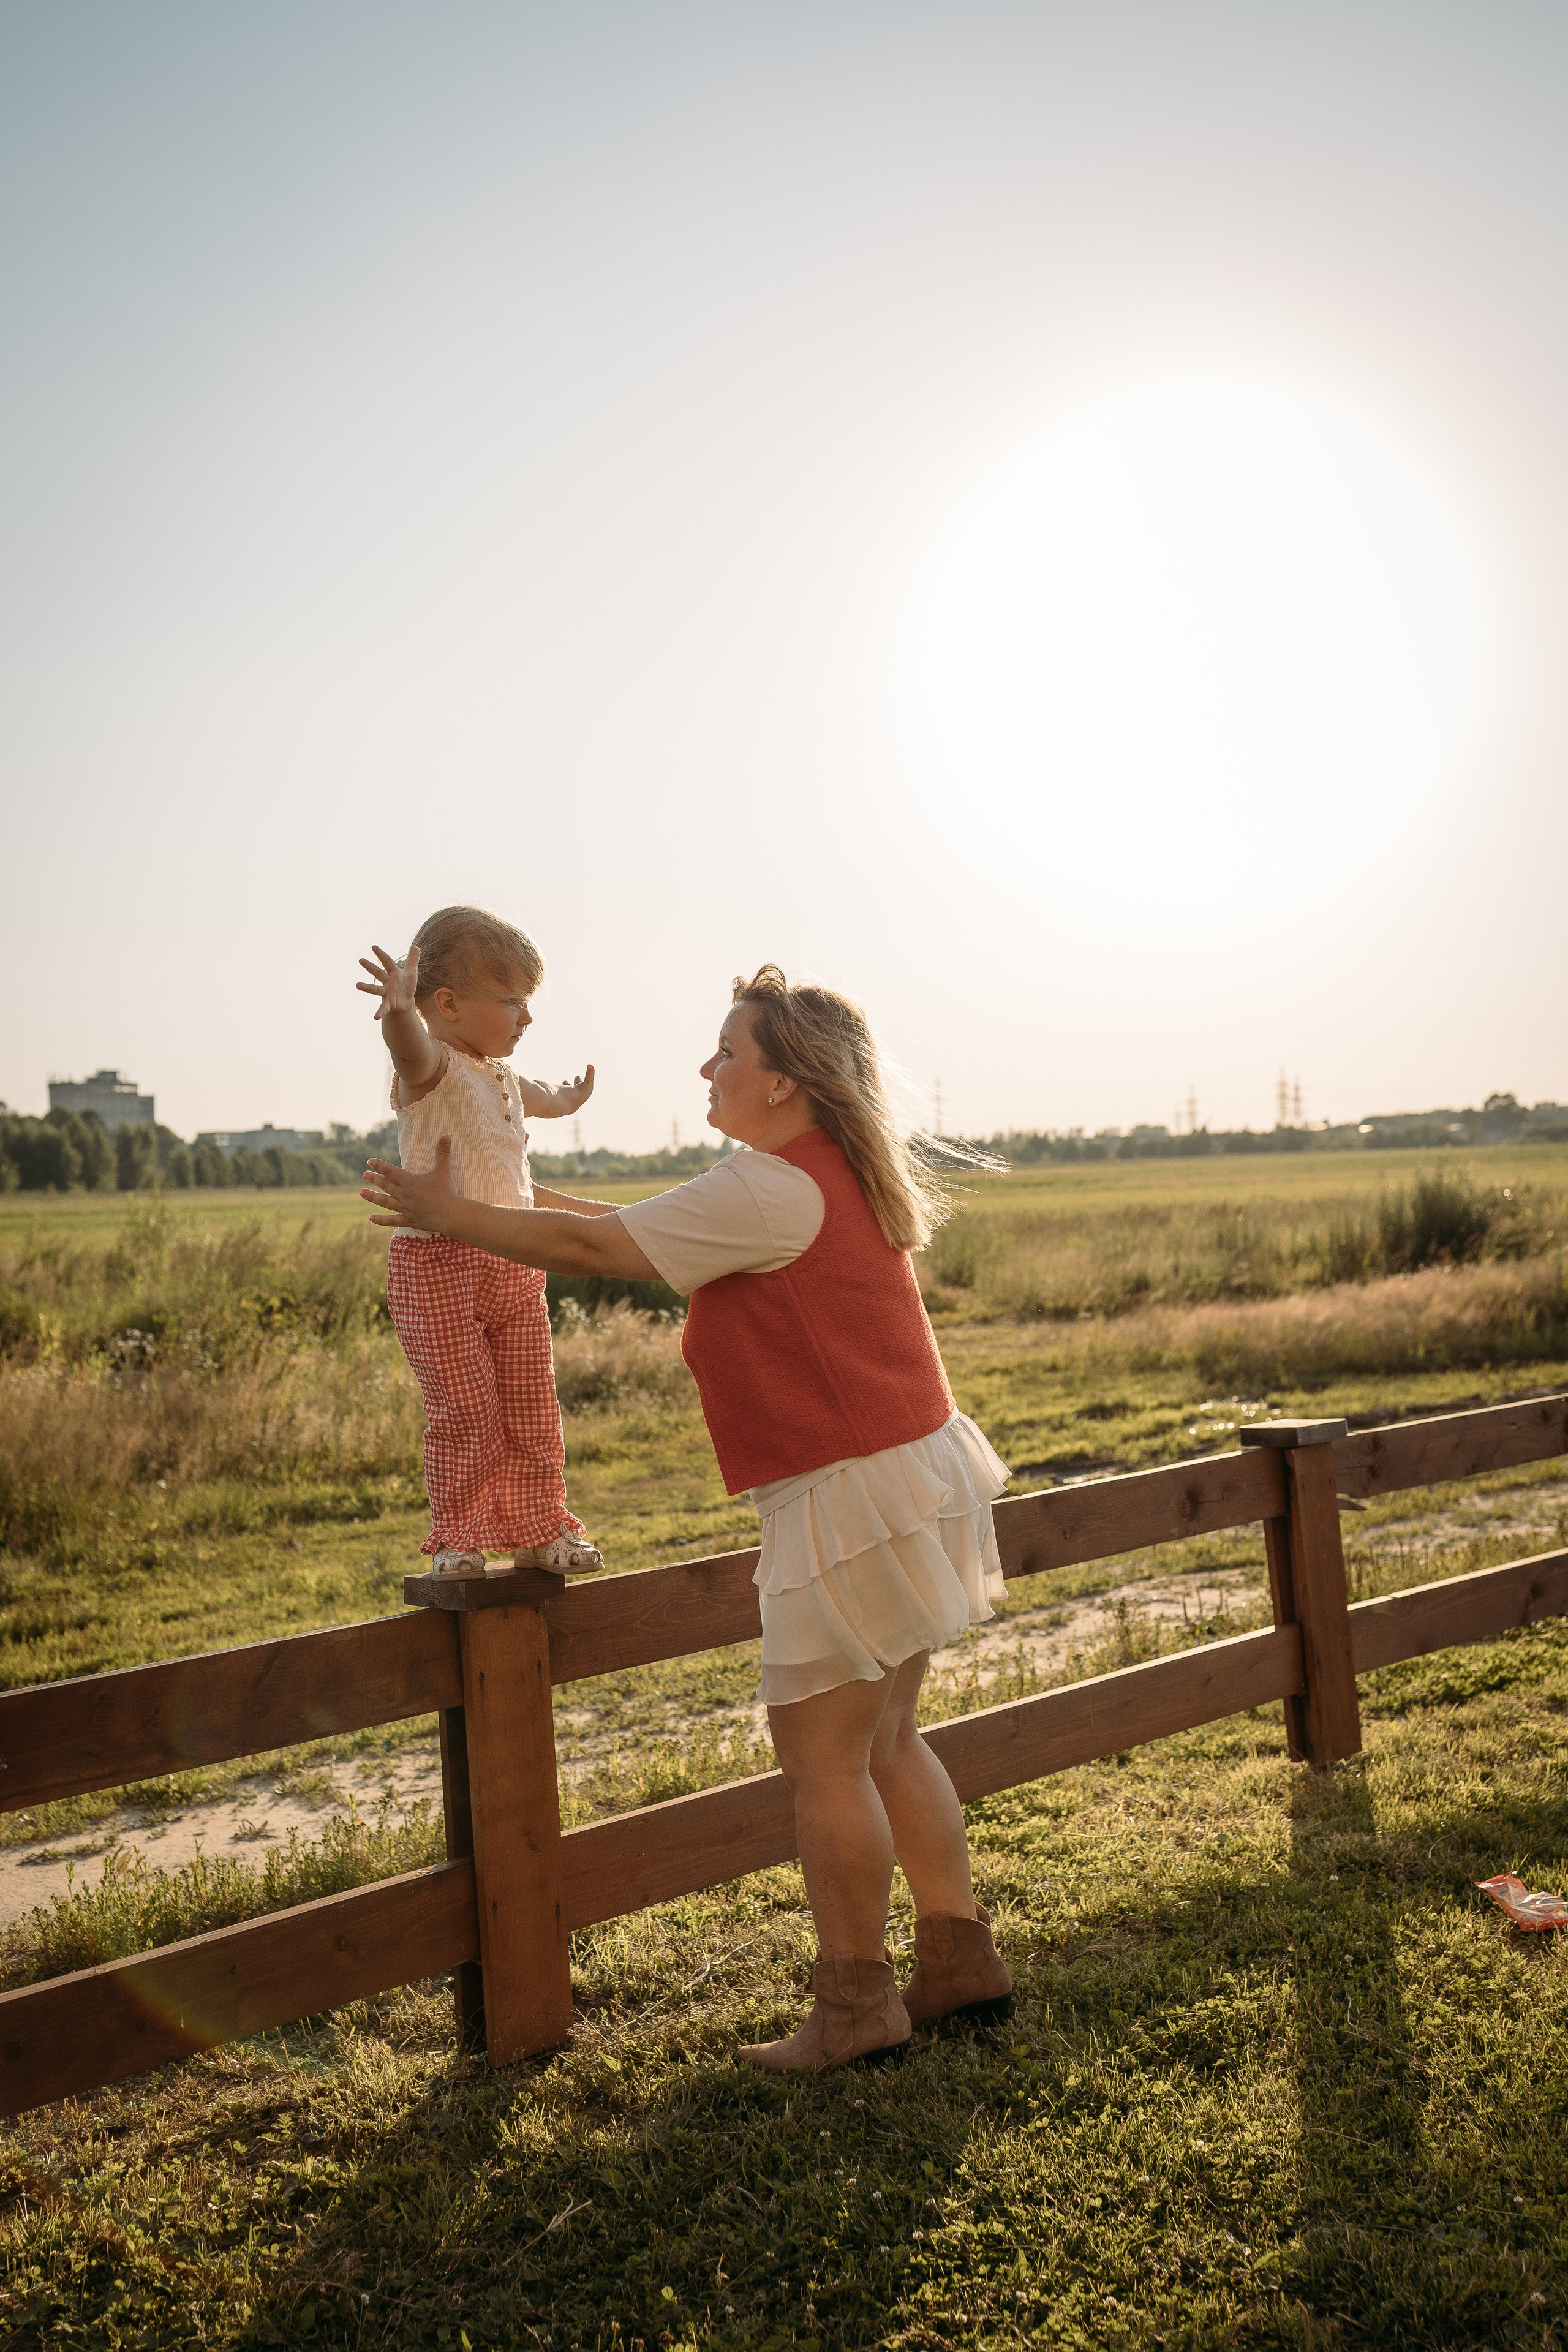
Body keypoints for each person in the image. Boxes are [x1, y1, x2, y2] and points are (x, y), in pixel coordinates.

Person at [361, 963, 1014, 2069]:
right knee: (888, 1740)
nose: (707, 1067)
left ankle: (858, 2011)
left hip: (853, 1491)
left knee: (828, 1764)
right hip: (911, 1472)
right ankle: (960, 1963)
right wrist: (477, 1188)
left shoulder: (767, 1190)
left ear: (783, 1082)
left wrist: (442, 1214)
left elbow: (590, 1252)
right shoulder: (816, 1174)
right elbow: (619, 1224)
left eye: (728, 1052)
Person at [356, 905, 605, 1578]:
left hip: (515, 1257)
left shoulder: (499, 1075)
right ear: (449, 1004)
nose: (526, 1019)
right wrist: (399, 1011)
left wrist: (570, 1098)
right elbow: (407, 1045)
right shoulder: (432, 1067)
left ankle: (540, 1527)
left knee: (531, 1404)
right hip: (438, 1265)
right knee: (466, 1408)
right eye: (514, 1002)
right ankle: (459, 1536)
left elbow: (542, 1098)